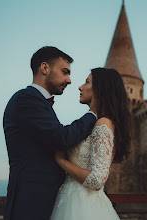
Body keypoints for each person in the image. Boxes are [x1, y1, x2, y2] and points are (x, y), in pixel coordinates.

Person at [3, 46, 97, 220]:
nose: (69, 80)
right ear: (45, 68)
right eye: (64, 72)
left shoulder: (39, 103)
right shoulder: (26, 99)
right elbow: (62, 138)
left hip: (44, 200)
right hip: (30, 201)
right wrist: (93, 113)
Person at [50, 68, 131, 220]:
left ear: (100, 89)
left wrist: (61, 161)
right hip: (72, 199)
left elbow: (97, 179)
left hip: (82, 206)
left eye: (87, 82)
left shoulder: (103, 124)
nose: (80, 87)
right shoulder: (96, 122)